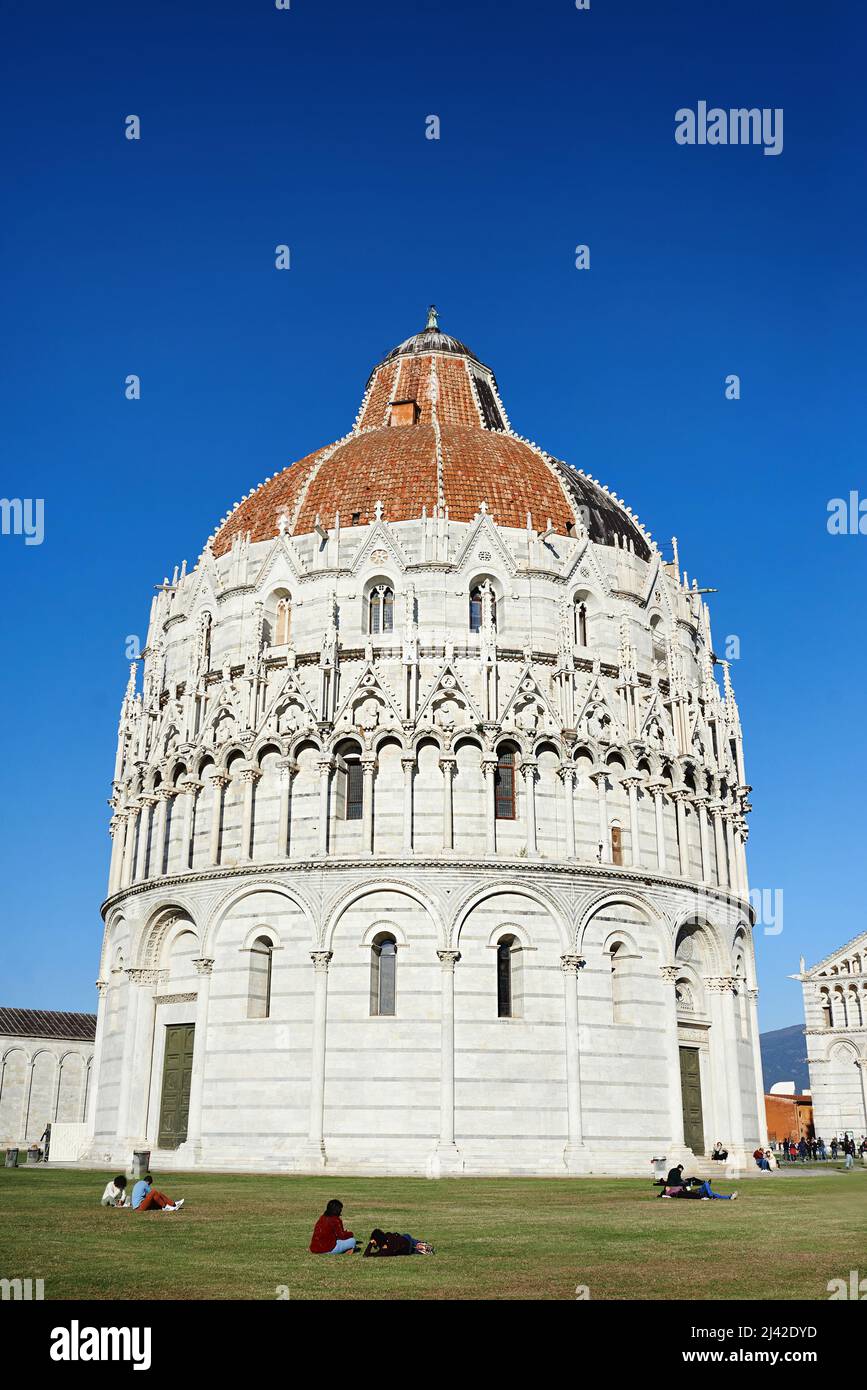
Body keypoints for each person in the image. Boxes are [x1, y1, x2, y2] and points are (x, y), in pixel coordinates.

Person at [363, 1228, 435, 1256]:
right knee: (406, 1237)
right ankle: (421, 1244)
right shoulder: (388, 1235)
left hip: (406, 1251)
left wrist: (370, 1244)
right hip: (406, 1240)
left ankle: (419, 1250)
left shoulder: (383, 1251)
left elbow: (366, 1255)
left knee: (409, 1250)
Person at [662, 1180, 738, 1201]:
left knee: (715, 1194)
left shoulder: (675, 1188)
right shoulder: (670, 1192)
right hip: (697, 1192)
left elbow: (686, 1189)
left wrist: (686, 1186)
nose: (669, 1187)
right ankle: (710, 1195)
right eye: (667, 1187)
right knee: (705, 1184)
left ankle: (729, 1197)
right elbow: (664, 1195)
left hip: (693, 1191)